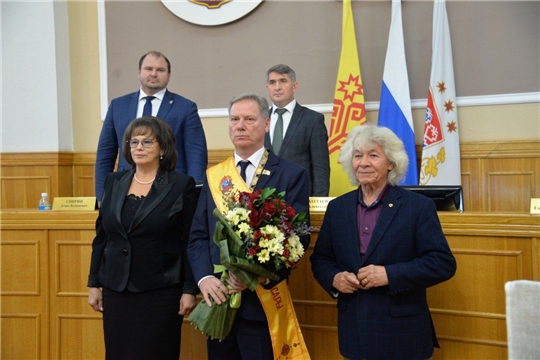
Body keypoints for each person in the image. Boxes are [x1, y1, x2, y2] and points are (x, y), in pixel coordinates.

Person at [310, 124, 456, 360]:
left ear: (391, 163)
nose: (363, 162)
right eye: (358, 156)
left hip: (403, 336)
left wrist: (389, 275)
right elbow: (321, 259)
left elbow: (442, 263)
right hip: (353, 335)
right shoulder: (337, 208)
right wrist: (334, 278)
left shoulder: (417, 207)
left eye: (373, 155)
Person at [188, 93, 310, 360]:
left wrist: (256, 275)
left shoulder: (291, 174)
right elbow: (198, 236)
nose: (240, 125)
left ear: (266, 124)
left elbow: (299, 238)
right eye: (234, 119)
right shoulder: (214, 176)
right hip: (218, 300)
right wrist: (205, 278)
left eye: (249, 119)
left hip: (262, 306)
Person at [87, 116, 198, 360]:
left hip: (160, 290)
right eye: (133, 141)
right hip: (116, 290)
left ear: (163, 148)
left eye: (147, 142)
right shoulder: (113, 181)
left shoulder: (181, 185)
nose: (138, 147)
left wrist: (190, 289)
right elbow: (102, 236)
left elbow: (190, 240)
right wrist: (94, 283)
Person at [94, 50, 207, 201]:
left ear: (169, 75)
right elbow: (105, 155)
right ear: (139, 72)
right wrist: (102, 197)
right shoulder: (118, 106)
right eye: (148, 69)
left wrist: (194, 196)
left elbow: (196, 156)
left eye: (160, 70)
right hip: (125, 190)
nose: (154, 74)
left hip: (171, 191)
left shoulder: (185, 108)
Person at [264, 64, 330, 196]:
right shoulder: (260, 119)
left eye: (283, 81)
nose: (277, 87)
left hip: (300, 200)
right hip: (264, 201)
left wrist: (317, 206)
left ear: (294, 86)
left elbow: (320, 169)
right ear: (267, 88)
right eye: (272, 82)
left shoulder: (313, 120)